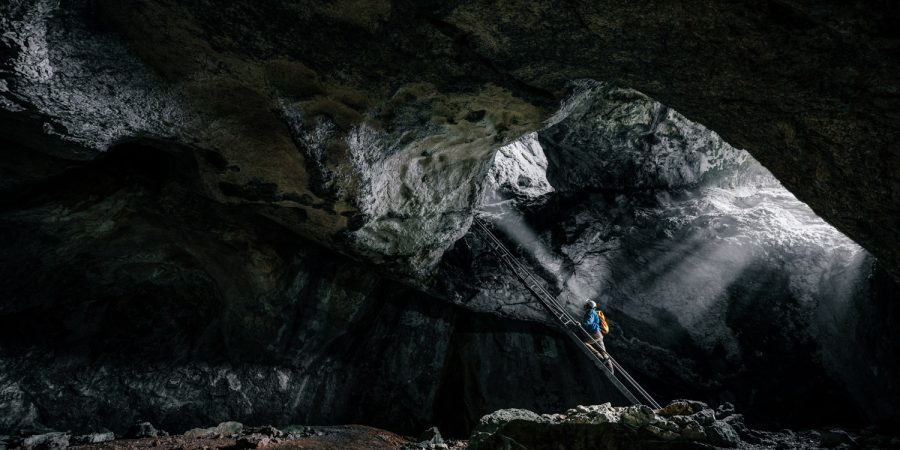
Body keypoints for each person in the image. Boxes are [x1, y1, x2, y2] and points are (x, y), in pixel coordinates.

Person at [580, 300, 614, 373]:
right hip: (600, 335)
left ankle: (599, 357)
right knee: (604, 352)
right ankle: (610, 369)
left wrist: (581, 324)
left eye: (586, 305)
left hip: (594, 333)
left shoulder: (590, 312)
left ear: (589, 306)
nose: (584, 306)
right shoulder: (595, 313)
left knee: (584, 343)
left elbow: (588, 323)